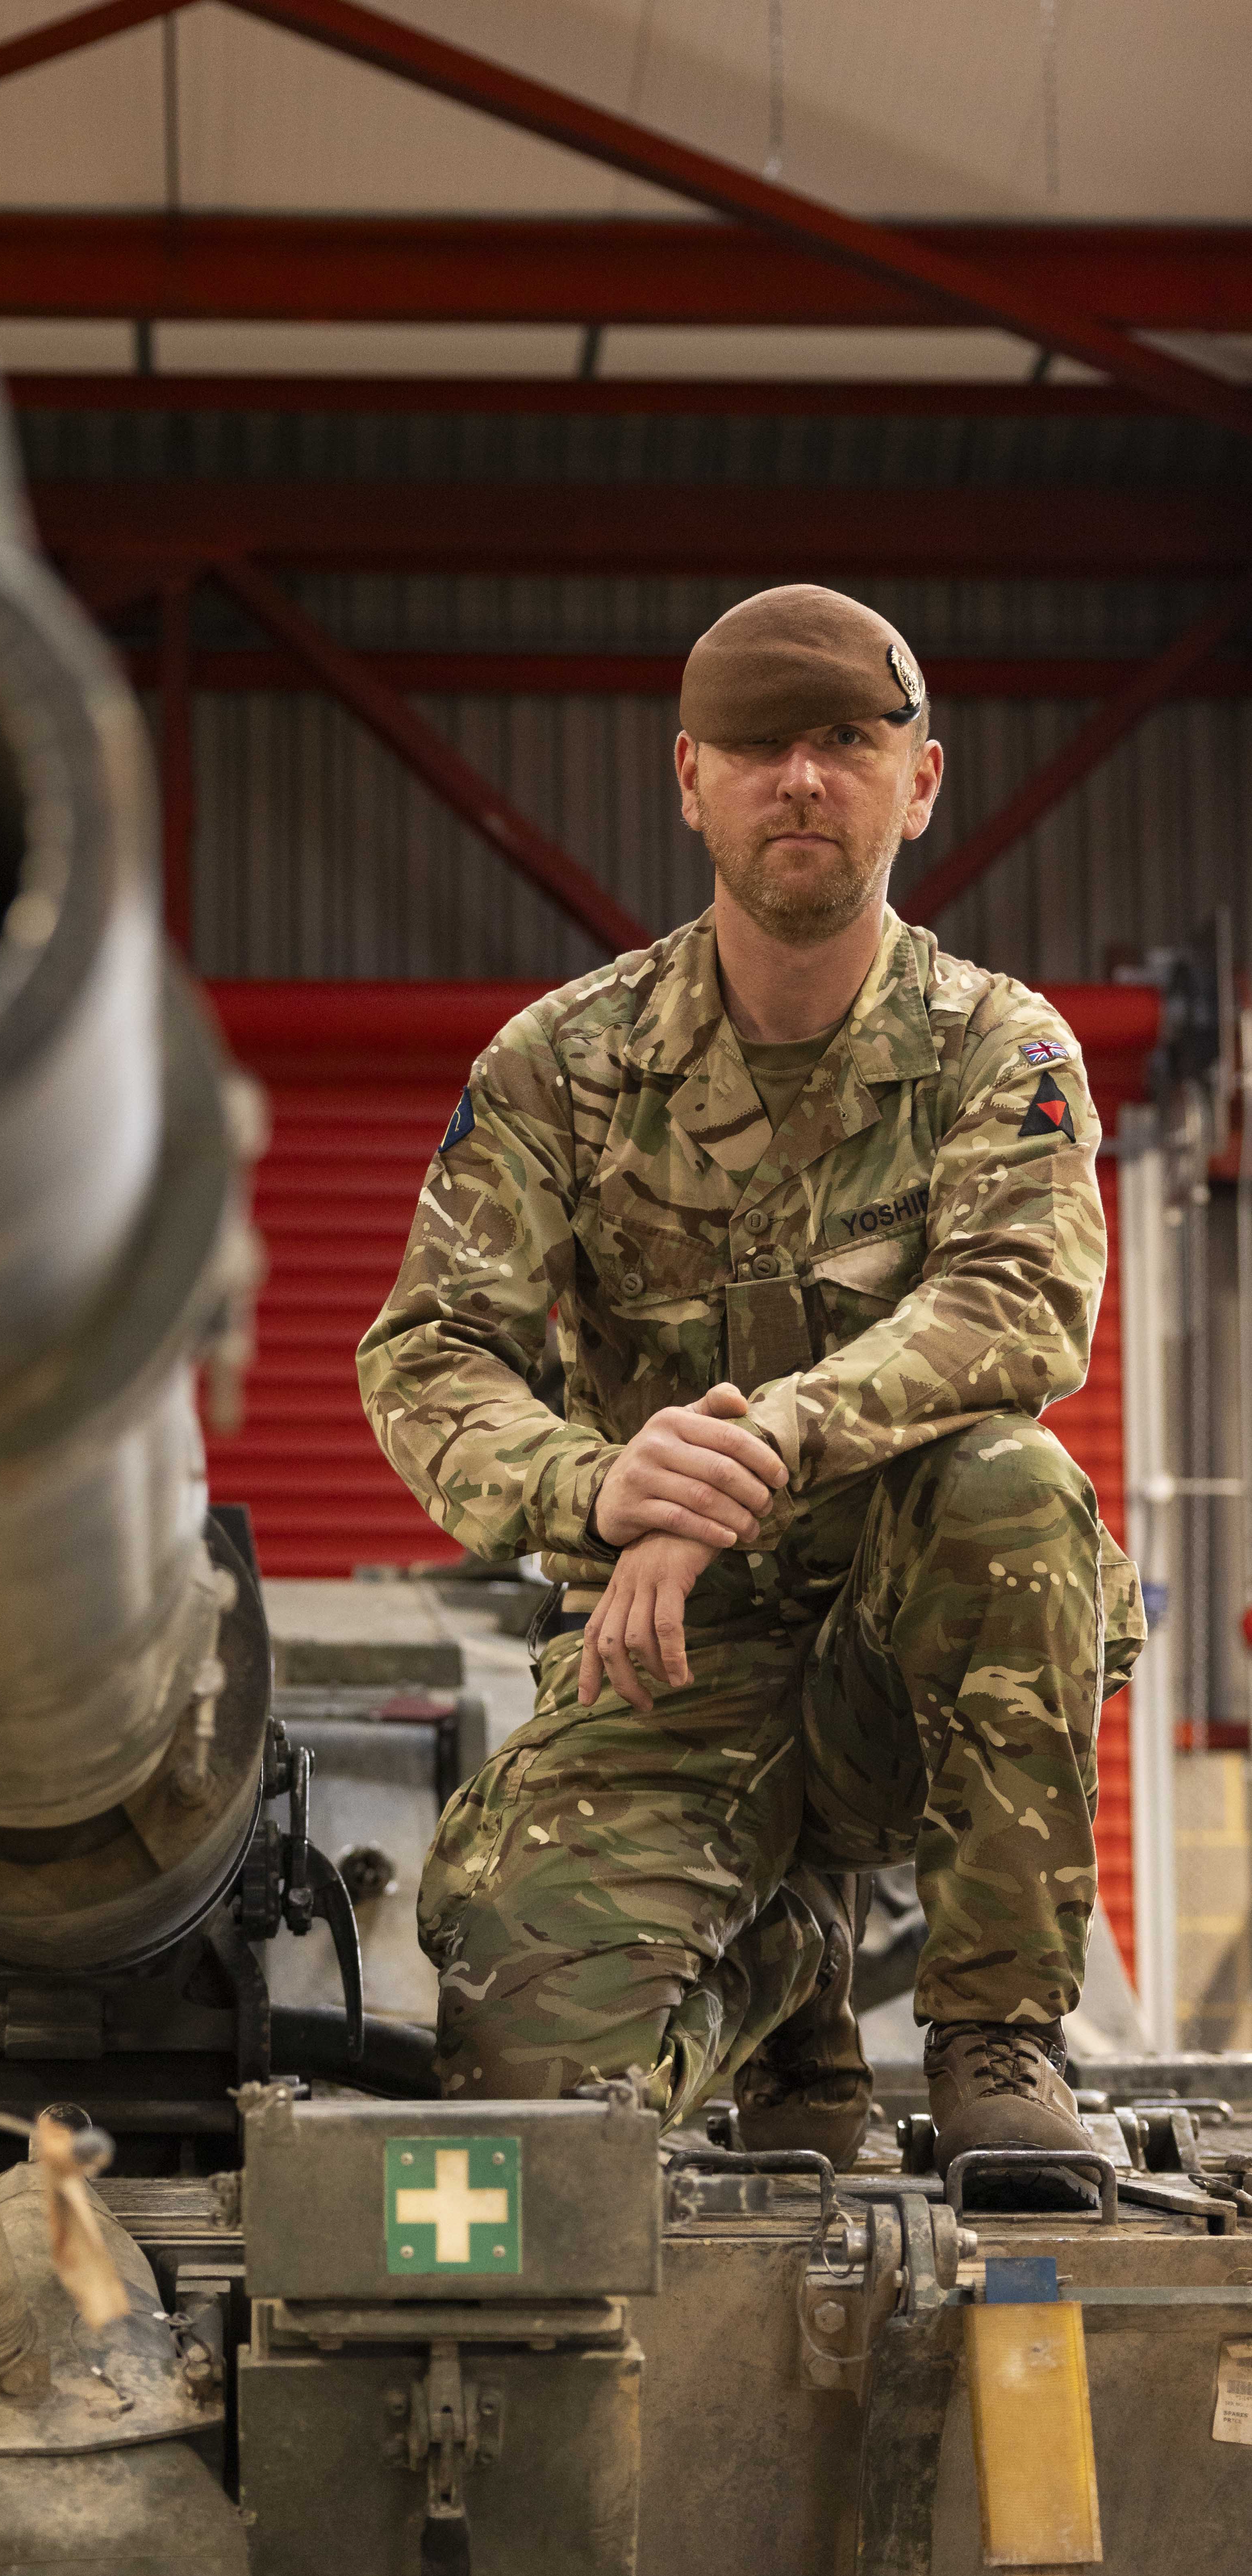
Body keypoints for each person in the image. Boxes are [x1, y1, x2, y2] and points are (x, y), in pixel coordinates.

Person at [356, 582, 1144, 2172]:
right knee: (531, 2107)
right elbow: (432, 1352)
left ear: (916, 781)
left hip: (909, 1662)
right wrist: (594, 1486)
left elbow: (1018, 1306)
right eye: (756, 745)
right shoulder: (556, 1068)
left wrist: (746, 1455)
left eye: (844, 742)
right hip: (666, 1664)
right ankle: (782, 1962)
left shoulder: (998, 1051)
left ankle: (992, 2028)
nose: (799, 779)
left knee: (1013, 1484)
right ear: (686, 778)